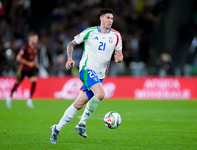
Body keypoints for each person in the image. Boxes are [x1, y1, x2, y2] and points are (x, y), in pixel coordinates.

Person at [50, 8, 123, 144]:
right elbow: (71, 44)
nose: (110, 21)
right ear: (101, 18)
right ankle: (81, 124)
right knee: (101, 93)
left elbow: (119, 54)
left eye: (112, 18)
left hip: (100, 75)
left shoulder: (116, 36)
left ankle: (56, 128)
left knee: (78, 104)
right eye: (108, 17)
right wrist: (70, 58)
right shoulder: (89, 32)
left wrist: (119, 58)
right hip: (86, 70)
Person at [6, 33, 39, 109]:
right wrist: (28, 63)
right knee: (17, 83)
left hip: (31, 69)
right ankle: (9, 97)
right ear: (30, 39)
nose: (36, 40)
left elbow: (34, 56)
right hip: (23, 69)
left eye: (37, 38)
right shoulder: (25, 47)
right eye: (35, 38)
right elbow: (18, 58)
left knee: (34, 82)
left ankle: (29, 100)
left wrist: (35, 63)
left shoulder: (36, 48)